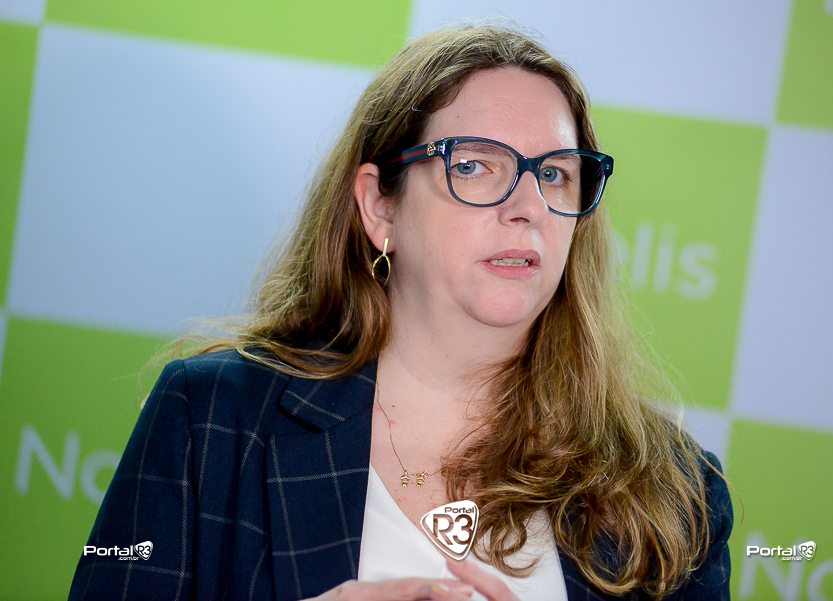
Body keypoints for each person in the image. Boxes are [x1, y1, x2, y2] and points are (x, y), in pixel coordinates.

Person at [68, 23, 733, 601]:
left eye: (556, 173)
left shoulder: (674, 491)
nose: (528, 206)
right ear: (379, 206)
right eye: (473, 166)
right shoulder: (212, 418)